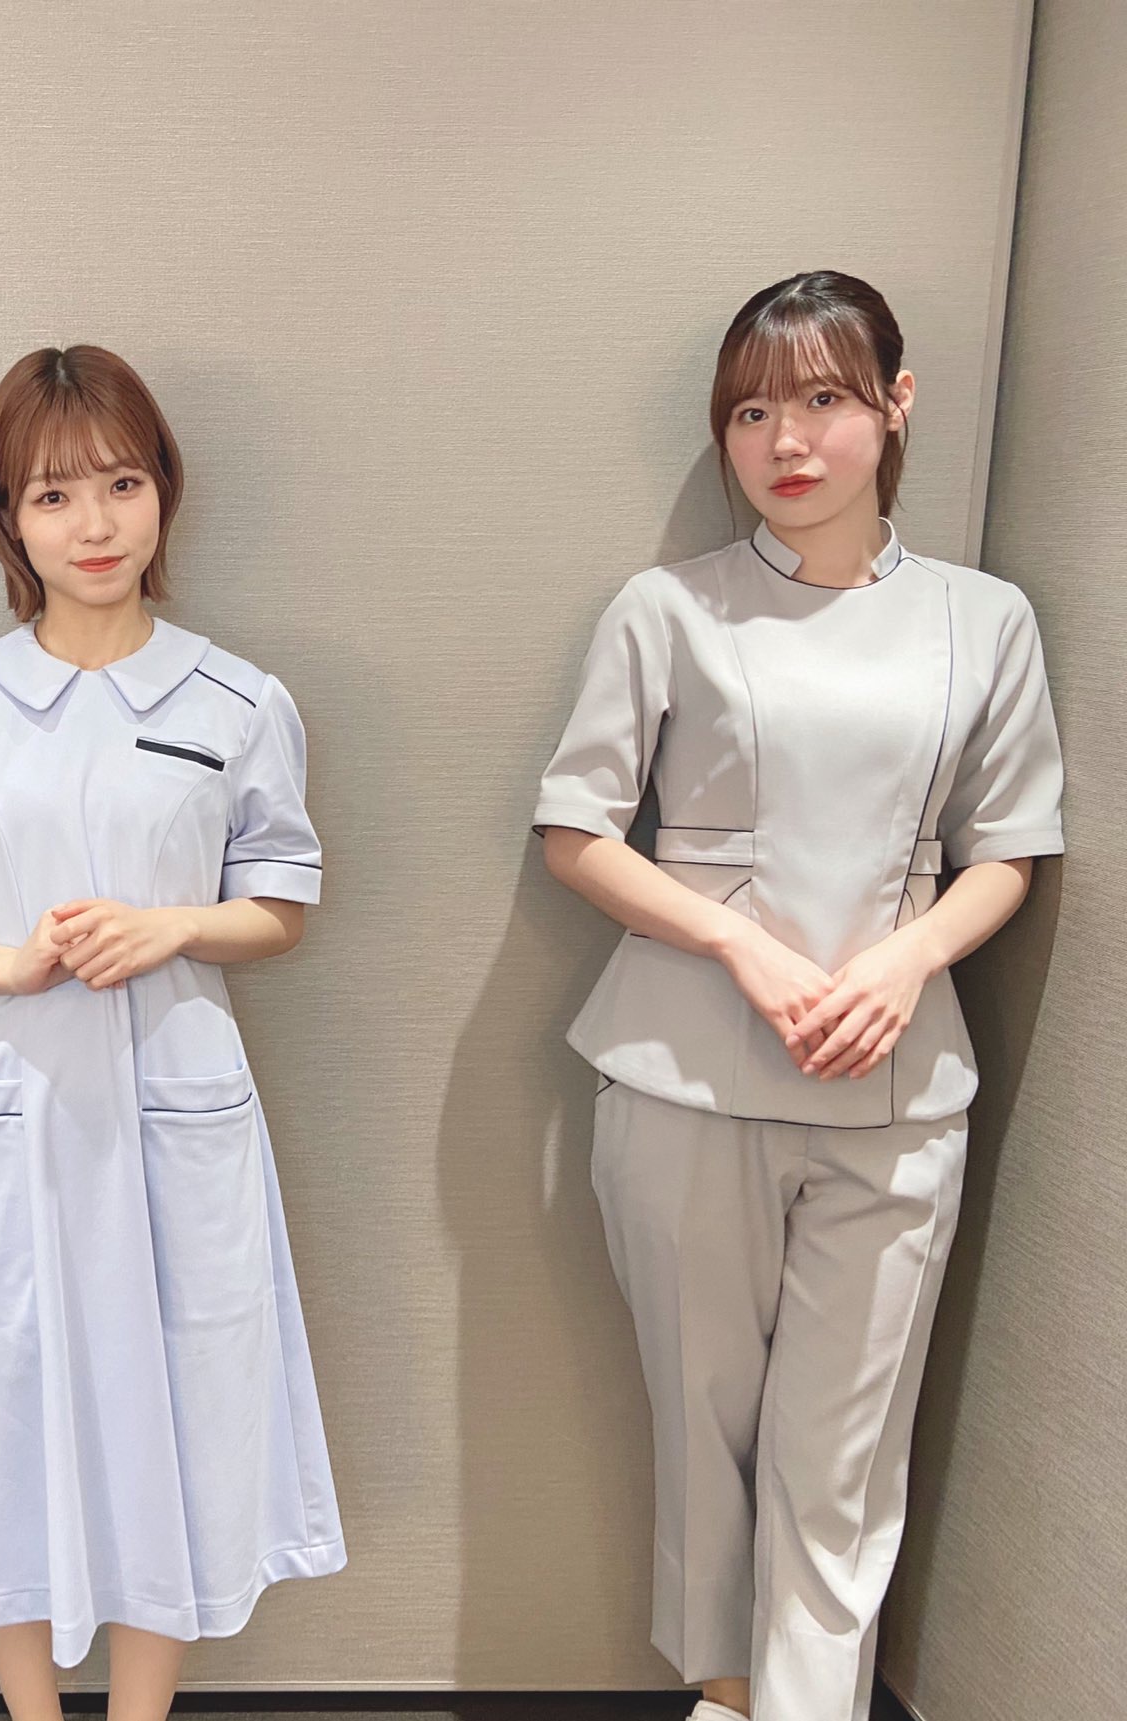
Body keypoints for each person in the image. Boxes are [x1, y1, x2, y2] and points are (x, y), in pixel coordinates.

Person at [535, 271, 1065, 1721]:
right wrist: (741, 946)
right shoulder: (668, 608)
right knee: (701, 1423)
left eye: (825, 399)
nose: (787, 441)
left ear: (897, 406)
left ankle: (808, 1707)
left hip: (899, 1095)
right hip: (683, 1078)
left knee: (847, 1449)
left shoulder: (984, 619)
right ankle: (725, 1693)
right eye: (752, 411)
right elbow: (576, 832)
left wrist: (904, 960)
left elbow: (1011, 849)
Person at [0, 345, 345, 1719]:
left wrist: (173, 926)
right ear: (8, 518)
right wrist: (9, 964)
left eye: (122, 484)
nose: (95, 524)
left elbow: (282, 907)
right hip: (16, 1104)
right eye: (54, 494)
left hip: (181, 1096)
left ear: (164, 492)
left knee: (181, 1406)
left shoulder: (239, 703)